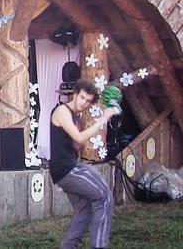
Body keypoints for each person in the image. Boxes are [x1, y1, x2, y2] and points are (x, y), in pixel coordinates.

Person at [50, 78, 117, 249]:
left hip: (65, 169)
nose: (84, 103)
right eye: (82, 98)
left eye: (88, 101)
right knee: (105, 197)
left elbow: (76, 144)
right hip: (68, 169)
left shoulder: (76, 116)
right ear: (75, 94)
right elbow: (78, 138)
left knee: (84, 210)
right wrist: (103, 119)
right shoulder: (61, 111)